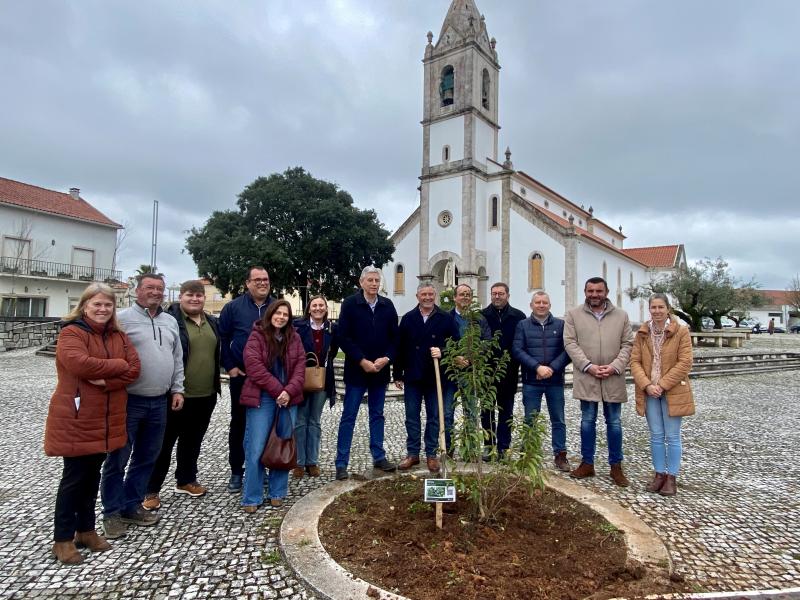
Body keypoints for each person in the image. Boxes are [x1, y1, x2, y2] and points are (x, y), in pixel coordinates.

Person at [44, 284, 141, 565]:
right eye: (96, 304)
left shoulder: (118, 336)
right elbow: (80, 365)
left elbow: (135, 369)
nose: (102, 309)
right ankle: (62, 538)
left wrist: (110, 377)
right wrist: (118, 365)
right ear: (84, 305)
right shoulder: (71, 332)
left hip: (106, 418)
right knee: (74, 478)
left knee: (92, 476)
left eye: (107, 305)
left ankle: (86, 529)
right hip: (78, 417)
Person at [100, 273, 184, 539]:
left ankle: (131, 505)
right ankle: (111, 512)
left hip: (159, 400)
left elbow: (177, 357)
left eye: (160, 288)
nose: (156, 292)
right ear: (137, 290)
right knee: (118, 458)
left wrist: (178, 388)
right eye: (150, 287)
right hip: (129, 400)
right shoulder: (122, 320)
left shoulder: (169, 320)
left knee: (147, 457)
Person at [144, 280, 221, 510]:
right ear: (181, 296)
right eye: (190, 295)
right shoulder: (169, 321)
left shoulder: (212, 322)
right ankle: (151, 489)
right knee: (164, 443)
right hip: (176, 394)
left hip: (206, 393)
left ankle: (186, 479)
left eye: (199, 295)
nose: (195, 299)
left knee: (193, 440)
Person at [564, 277, 633, 487]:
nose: (595, 295)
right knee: (587, 422)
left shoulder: (621, 316)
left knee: (614, 423)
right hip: (587, 376)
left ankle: (616, 467)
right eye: (591, 291)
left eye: (599, 291)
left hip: (613, 377)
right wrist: (588, 366)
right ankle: (587, 463)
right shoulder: (574, 315)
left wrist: (614, 366)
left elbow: (628, 344)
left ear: (606, 291)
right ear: (585, 291)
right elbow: (570, 342)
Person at [239, 300, 305, 512]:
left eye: (285, 314)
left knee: (283, 444)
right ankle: (252, 496)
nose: (281, 317)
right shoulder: (257, 336)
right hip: (263, 397)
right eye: (278, 313)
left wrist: (288, 391)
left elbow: (300, 368)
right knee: (256, 447)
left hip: (288, 397)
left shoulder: (294, 338)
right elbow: (254, 367)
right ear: (270, 314)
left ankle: (277, 492)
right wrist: (279, 391)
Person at [334, 266, 399, 481]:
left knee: (377, 414)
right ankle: (341, 463)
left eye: (376, 280)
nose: (373, 284)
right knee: (349, 416)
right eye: (370, 280)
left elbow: (394, 338)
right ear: (361, 282)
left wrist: (387, 358)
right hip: (357, 370)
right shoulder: (350, 304)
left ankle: (379, 456)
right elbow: (343, 337)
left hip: (380, 370)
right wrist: (361, 360)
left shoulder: (387, 305)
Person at [630, 293, 694, 496]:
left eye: (660, 307)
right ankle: (659, 474)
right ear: (649, 309)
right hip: (649, 391)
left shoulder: (681, 332)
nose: (657, 311)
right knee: (656, 436)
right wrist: (647, 385)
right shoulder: (642, 333)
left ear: (668, 309)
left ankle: (671, 477)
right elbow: (635, 362)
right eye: (653, 307)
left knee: (672, 436)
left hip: (672, 390)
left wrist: (663, 385)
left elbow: (685, 362)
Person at [218, 266, 274, 493]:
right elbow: (221, 338)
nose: (262, 283)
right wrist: (230, 366)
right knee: (240, 424)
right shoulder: (233, 308)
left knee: (268, 425)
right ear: (247, 283)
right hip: (243, 377)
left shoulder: (277, 307)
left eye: (266, 279)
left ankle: (263, 468)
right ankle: (236, 471)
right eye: (257, 279)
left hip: (271, 379)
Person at [394, 283, 459, 473]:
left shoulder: (445, 318)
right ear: (417, 296)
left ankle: (431, 454)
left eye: (431, 294)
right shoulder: (408, 318)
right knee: (412, 417)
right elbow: (400, 348)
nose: (428, 297)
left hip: (435, 376)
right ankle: (413, 454)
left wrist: (444, 351)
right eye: (424, 294)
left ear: (435, 295)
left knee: (434, 417)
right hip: (413, 375)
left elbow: (456, 345)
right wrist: (398, 374)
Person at [512, 291, 571, 472]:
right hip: (532, 380)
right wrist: (537, 367)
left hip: (554, 381)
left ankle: (560, 454)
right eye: (537, 302)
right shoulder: (523, 325)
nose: (541, 305)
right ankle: (528, 453)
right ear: (531, 305)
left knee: (558, 419)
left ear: (550, 305)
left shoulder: (561, 325)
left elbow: (567, 350)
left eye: (545, 302)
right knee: (530, 419)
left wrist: (551, 368)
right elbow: (517, 349)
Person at [292, 295, 338, 479]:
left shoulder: (332, 329)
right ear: (309, 309)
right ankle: (299, 462)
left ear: (326, 309)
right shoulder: (299, 327)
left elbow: (333, 352)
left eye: (321, 305)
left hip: (322, 380)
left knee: (315, 421)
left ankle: (312, 461)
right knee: (300, 421)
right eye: (315, 305)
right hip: (301, 379)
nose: (318, 308)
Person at [444, 283, 492, 454]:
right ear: (454, 298)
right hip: (450, 373)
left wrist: (473, 356)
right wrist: (454, 356)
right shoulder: (445, 317)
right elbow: (440, 342)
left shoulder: (479, 319)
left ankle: (469, 450)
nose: (465, 297)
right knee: (447, 413)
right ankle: (448, 449)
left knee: (471, 412)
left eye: (468, 294)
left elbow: (487, 340)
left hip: (471, 373)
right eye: (461, 294)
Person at [481, 282, 526, 458]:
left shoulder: (518, 316)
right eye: (494, 294)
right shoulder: (482, 316)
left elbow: (522, 342)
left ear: (507, 295)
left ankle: (504, 446)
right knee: (486, 412)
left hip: (509, 371)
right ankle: (488, 445)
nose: (497, 297)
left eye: (500, 293)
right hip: (486, 372)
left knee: (506, 411)